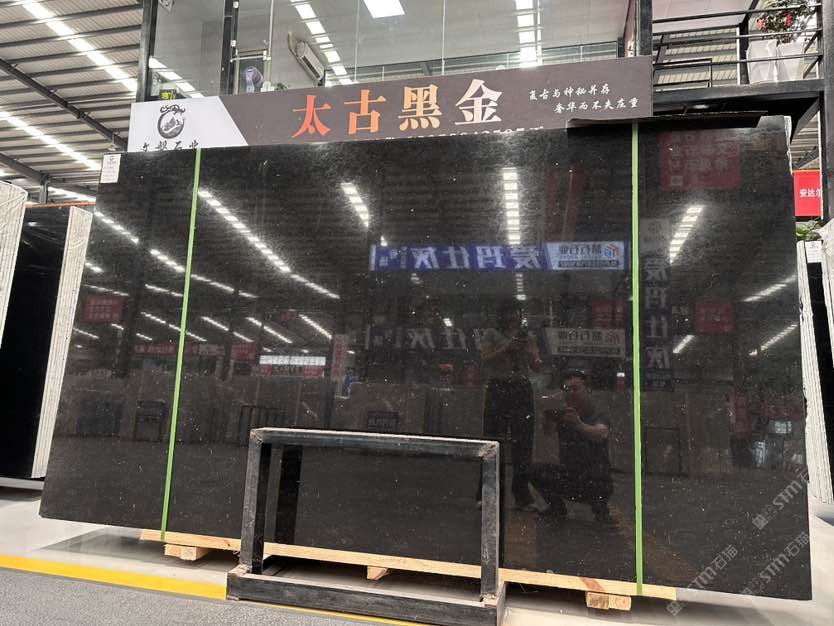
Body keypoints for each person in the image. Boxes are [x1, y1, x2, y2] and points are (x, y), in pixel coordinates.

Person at [480, 299, 543, 511]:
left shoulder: (528, 337)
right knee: (493, 440)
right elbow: (485, 359)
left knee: (523, 443)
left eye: (516, 312)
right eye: (509, 312)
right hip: (499, 386)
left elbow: (537, 367)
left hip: (521, 388)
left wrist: (531, 352)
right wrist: (508, 347)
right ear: (502, 315)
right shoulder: (491, 334)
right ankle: (487, 493)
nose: (512, 316)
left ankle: (522, 495)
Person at [530, 370, 616, 526]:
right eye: (566, 389)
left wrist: (579, 425)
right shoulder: (563, 414)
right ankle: (557, 508)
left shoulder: (597, 413)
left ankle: (601, 511)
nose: (570, 393)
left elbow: (601, 433)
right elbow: (547, 432)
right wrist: (548, 420)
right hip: (571, 476)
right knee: (535, 470)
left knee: (598, 475)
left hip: (594, 481)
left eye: (575, 389)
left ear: (588, 390)